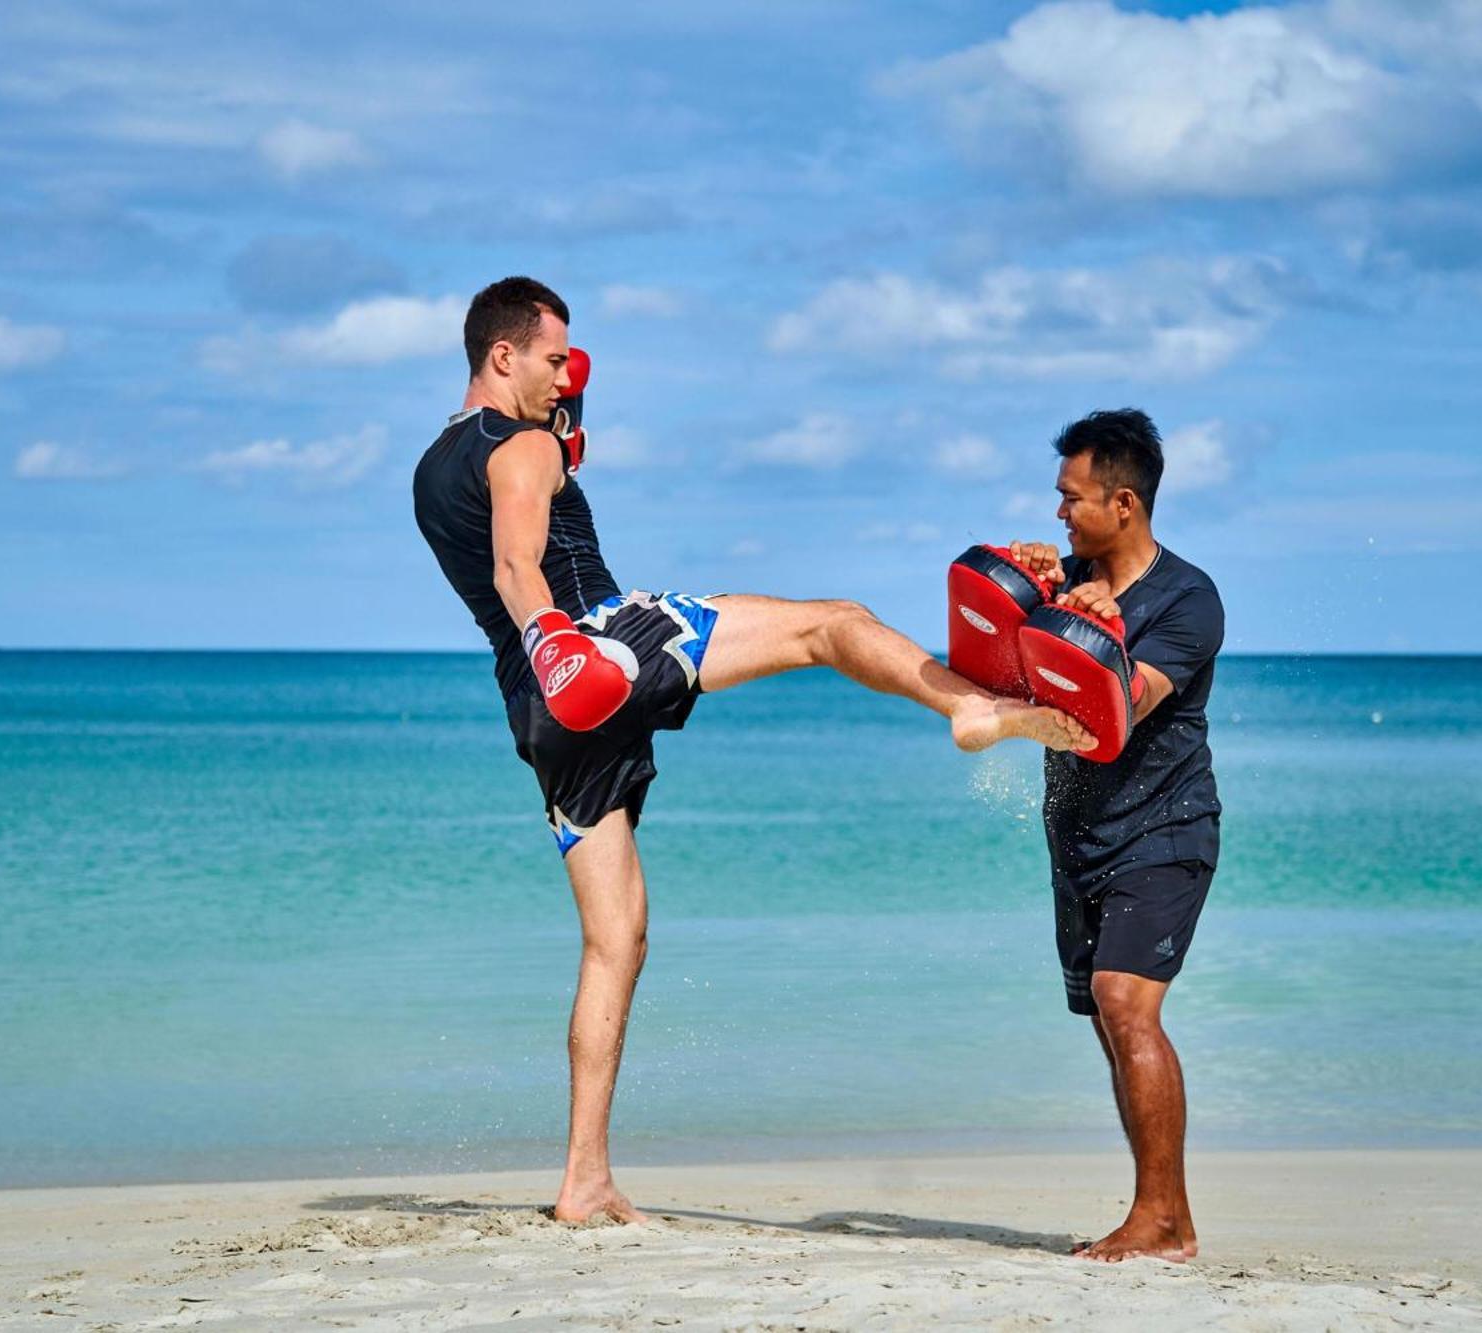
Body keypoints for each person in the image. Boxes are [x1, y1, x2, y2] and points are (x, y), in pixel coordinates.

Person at [413, 276, 1090, 1224]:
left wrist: (568, 424)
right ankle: (969, 706)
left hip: (537, 711)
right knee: (832, 623)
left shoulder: (435, 468)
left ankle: (584, 1179)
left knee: (618, 938)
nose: (568, 377)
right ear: (503, 355)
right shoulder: (522, 446)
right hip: (600, 641)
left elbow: (514, 523)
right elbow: (517, 567)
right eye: (556, 359)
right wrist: (564, 642)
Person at [1005, 408, 1224, 1263]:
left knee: (1128, 1003)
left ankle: (1162, 1220)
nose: (1060, 515)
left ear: (1123, 504)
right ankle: (1165, 1211)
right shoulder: (1068, 576)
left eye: (1072, 499)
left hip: (1164, 828)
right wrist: (1021, 589)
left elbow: (1115, 714)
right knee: (1108, 1014)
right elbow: (998, 660)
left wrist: (1102, 627)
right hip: (1081, 837)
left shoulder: (1187, 599)